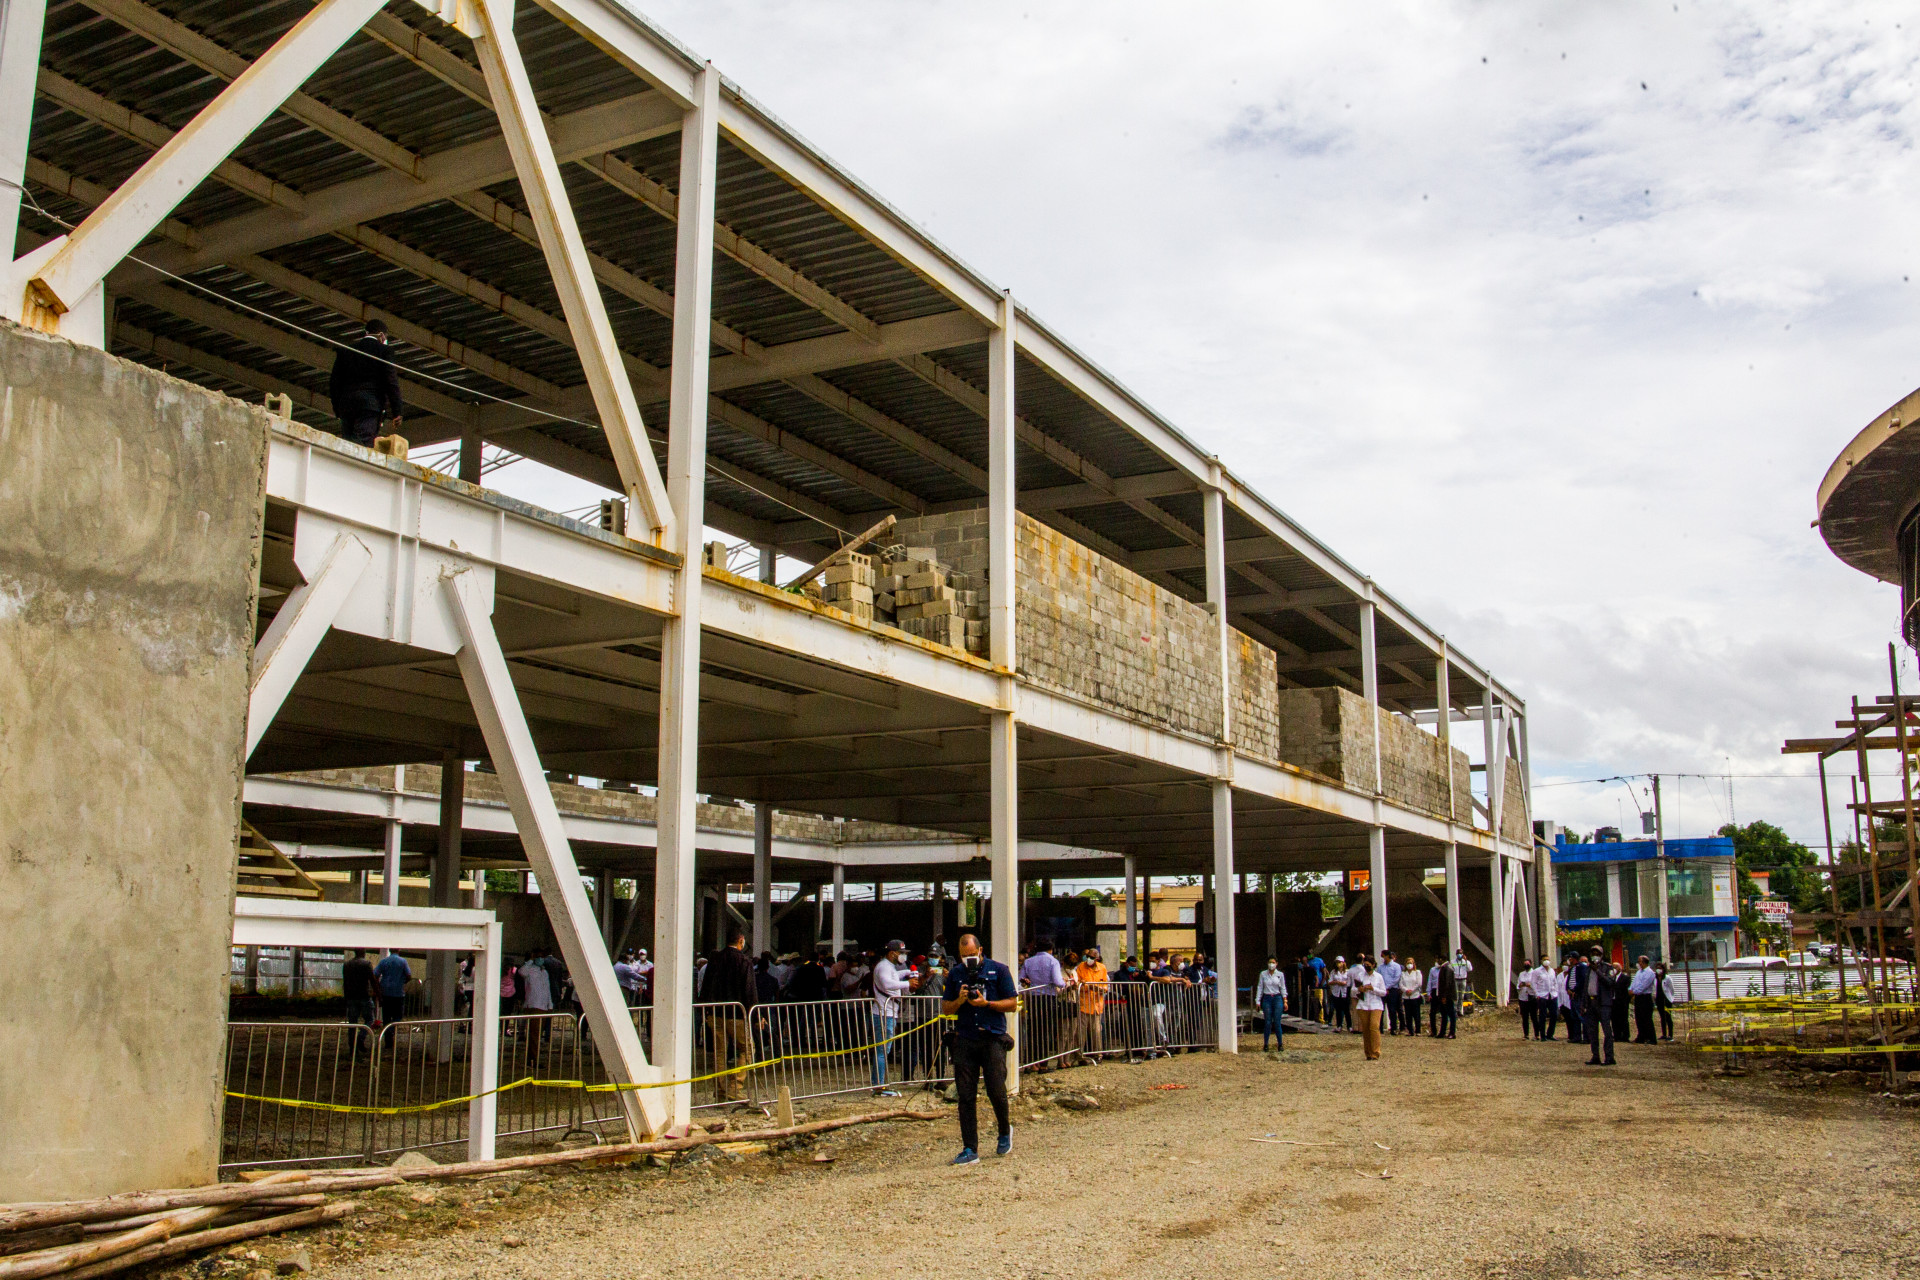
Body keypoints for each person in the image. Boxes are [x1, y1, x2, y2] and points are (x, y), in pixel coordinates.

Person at [942, 934, 1018, 1165]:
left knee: (996, 1089)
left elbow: (1012, 1003)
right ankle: (969, 1147)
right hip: (965, 1038)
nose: (969, 959)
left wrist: (987, 1004)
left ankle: (1004, 1130)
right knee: (965, 1095)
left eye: (972, 955)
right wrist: (960, 1000)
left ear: (981, 950)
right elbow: (946, 1008)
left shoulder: (999, 970)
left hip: (992, 1037)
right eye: (964, 956)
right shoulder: (956, 974)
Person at [699, 930, 757, 1102]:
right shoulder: (744, 961)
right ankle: (735, 1086)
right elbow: (749, 990)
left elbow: (706, 986)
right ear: (741, 941)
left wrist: (705, 1010)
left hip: (715, 1013)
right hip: (736, 1014)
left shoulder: (715, 960)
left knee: (720, 1052)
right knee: (747, 1049)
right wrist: (754, 1014)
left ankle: (721, 1089)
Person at [327, 318, 403, 446]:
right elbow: (391, 382)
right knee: (361, 444)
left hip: (347, 406)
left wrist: (337, 409)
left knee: (347, 443)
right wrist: (397, 411)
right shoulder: (384, 351)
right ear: (381, 335)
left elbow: (334, 382)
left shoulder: (346, 350)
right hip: (370, 405)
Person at [870, 939, 920, 1096]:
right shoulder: (884, 966)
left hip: (889, 1012)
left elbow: (893, 976)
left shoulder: (889, 967)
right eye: (901, 953)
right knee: (882, 1051)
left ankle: (879, 1083)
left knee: (884, 1050)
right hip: (884, 1013)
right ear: (892, 953)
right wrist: (907, 983)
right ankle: (879, 1086)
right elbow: (887, 984)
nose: (903, 956)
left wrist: (905, 973)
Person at [1073, 945, 1109, 1063]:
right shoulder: (1080, 967)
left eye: (1092, 957)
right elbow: (1078, 984)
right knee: (1081, 1032)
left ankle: (1098, 1054)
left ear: (1097, 959)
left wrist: (1100, 989)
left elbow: (1105, 985)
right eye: (1088, 956)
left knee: (1096, 1031)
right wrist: (1087, 986)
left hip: (1097, 1005)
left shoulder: (1102, 968)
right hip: (1084, 1004)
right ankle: (1079, 1055)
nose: (1089, 959)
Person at [1583, 948, 1617, 1067]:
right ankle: (1595, 1056)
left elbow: (1610, 982)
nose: (1595, 956)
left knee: (1607, 1031)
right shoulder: (1588, 969)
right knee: (1592, 1032)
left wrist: (1597, 971)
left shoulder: (1608, 968)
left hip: (1603, 1003)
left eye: (1597, 954)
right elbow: (1586, 987)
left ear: (1602, 955)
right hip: (1591, 1002)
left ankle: (1609, 1057)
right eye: (1593, 954)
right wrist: (1584, 1004)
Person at [1354, 957, 1388, 1060]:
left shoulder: (1378, 977)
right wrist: (1359, 989)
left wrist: (1373, 989)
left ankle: (1375, 1052)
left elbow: (1383, 992)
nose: (1366, 967)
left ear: (1373, 965)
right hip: (1363, 1005)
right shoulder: (1360, 975)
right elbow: (1353, 990)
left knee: (1374, 1026)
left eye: (1368, 965)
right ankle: (1368, 1053)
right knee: (1366, 1029)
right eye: (1365, 965)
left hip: (1376, 1004)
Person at [343, 949, 376, 1051]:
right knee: (370, 1019)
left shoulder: (347, 965)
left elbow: (345, 982)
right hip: (364, 995)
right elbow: (373, 980)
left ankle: (352, 1047)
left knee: (352, 1022)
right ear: (364, 953)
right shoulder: (367, 964)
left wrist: (346, 997)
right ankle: (360, 1038)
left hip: (351, 996)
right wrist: (378, 994)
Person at [1255, 957, 1288, 1052]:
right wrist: (1258, 1001)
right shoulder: (1263, 974)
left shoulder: (1280, 974)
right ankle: (1266, 1044)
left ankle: (1280, 1044)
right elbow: (1260, 987)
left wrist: (1285, 1000)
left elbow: (1283, 987)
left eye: (1273, 962)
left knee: (1277, 1022)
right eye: (1270, 962)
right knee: (1268, 1022)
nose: (1271, 964)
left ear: (1276, 963)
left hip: (1277, 998)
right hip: (1267, 998)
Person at [374, 948, 411, 1027]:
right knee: (397, 1016)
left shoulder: (384, 961)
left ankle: (387, 1031)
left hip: (385, 992)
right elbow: (408, 975)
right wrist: (402, 982)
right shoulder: (403, 961)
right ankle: (393, 1029)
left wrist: (379, 986)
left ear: (390, 950)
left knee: (386, 1016)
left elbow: (375, 974)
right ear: (399, 950)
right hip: (398, 993)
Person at [1630, 955, 1659, 1045]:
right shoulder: (1639, 972)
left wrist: (1634, 991)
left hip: (1645, 997)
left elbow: (1644, 985)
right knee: (1639, 1017)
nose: (1638, 963)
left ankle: (1651, 1038)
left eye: (1640, 961)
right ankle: (1641, 1036)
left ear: (1644, 962)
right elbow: (1634, 983)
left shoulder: (1650, 973)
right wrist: (1630, 989)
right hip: (1638, 997)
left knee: (1647, 1018)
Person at [1378, 951, 1404, 1036]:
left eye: (1384, 956)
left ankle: (1393, 1028)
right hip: (1382, 990)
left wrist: (1387, 987)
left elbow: (1396, 978)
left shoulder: (1396, 966)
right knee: (1381, 1009)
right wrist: (1383, 988)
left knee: (1392, 1010)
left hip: (1392, 990)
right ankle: (1380, 1028)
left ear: (1388, 956)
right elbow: (1378, 978)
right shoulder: (1380, 967)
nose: (1383, 958)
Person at [1433, 956, 1458, 1038]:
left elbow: (1447, 983)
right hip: (1444, 995)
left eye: (1438, 959)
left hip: (1447, 996)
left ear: (1441, 959)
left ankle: (1452, 1033)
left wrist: (1444, 996)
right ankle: (1442, 1032)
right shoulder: (1444, 968)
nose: (1437, 961)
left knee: (1451, 1014)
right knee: (1443, 1014)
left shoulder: (1447, 968)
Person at [1327, 957, 1353, 1032]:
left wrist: (1345, 983)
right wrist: (1336, 982)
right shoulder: (1333, 972)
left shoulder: (1348, 972)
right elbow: (1329, 981)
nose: (1338, 964)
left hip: (1345, 992)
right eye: (1337, 962)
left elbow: (1350, 982)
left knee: (1346, 1010)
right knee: (1338, 1010)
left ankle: (1349, 1026)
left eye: (1339, 962)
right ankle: (1339, 1025)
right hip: (1336, 992)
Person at [1400, 957, 1424, 1036]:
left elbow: (1419, 983)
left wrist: (1412, 990)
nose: (1409, 965)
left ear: (1414, 964)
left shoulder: (1417, 972)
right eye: (1408, 963)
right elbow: (1401, 984)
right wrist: (1406, 990)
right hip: (1406, 996)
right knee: (1408, 1014)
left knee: (1416, 1014)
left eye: (1411, 963)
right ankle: (1410, 1030)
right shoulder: (1403, 973)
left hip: (1415, 996)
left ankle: (1418, 1031)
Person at [1654, 962, 1677, 1041]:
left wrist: (1671, 999)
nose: (1658, 970)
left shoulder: (1667, 978)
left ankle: (1670, 1035)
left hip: (1666, 999)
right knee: (1662, 1017)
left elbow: (1672, 989)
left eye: (1660, 968)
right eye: (1657, 968)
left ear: (1663, 969)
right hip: (1659, 999)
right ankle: (1664, 1034)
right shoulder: (1655, 978)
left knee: (1668, 1017)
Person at [1515, 957, 1536, 1040]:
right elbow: (1518, 985)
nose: (1526, 965)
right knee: (1525, 1017)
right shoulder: (1521, 974)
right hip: (1523, 997)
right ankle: (1526, 1034)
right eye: (1525, 964)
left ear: (1531, 964)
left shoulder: (1534, 973)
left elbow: (1536, 985)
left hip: (1532, 996)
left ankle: (1537, 1034)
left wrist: (1530, 985)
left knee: (1534, 1016)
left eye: (1528, 964)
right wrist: (1520, 985)